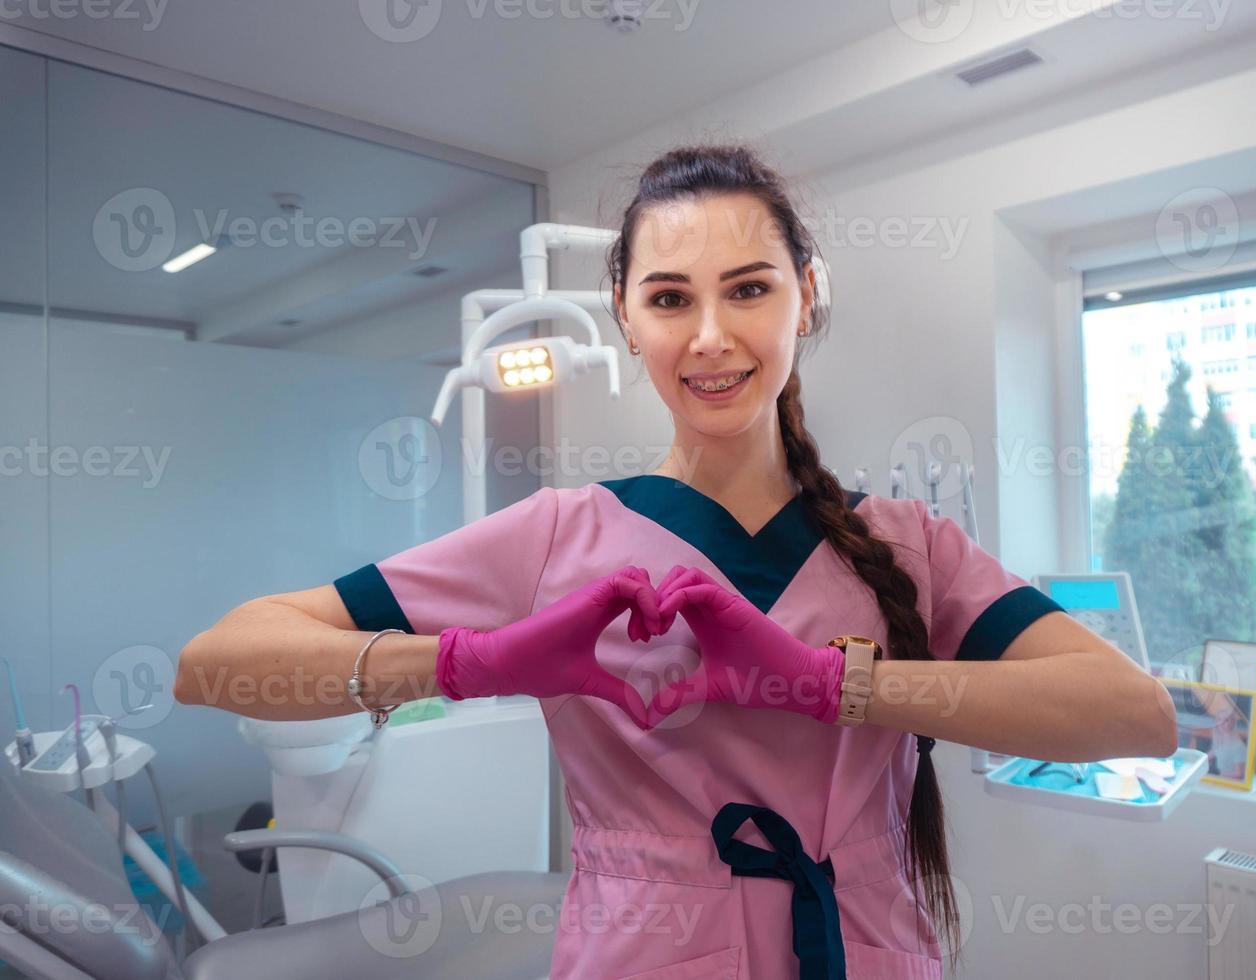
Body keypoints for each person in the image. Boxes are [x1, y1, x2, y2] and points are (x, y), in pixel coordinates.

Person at [174, 144, 1177, 979]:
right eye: (668, 298)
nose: (710, 337)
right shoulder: (559, 536)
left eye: (748, 288)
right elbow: (220, 656)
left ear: (807, 291)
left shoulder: (907, 544)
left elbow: (1134, 713)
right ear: (625, 314)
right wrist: (470, 664)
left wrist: (838, 683)